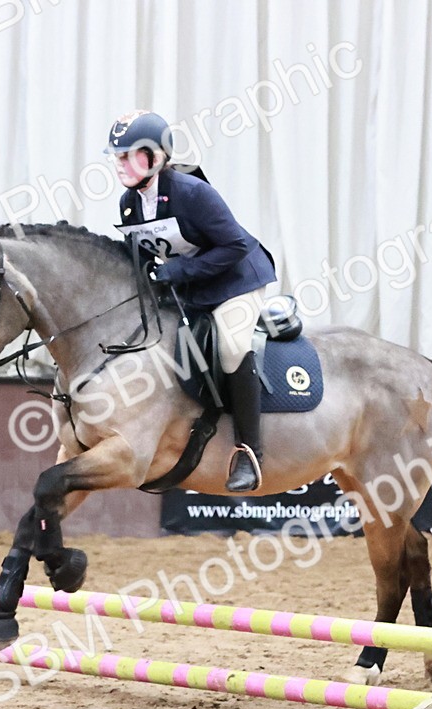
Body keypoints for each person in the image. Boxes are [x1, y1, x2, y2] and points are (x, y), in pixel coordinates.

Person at [106, 110, 277, 493]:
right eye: (118, 156)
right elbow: (146, 253)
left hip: (236, 280)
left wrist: (178, 271)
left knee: (232, 346)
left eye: (131, 154)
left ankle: (250, 452)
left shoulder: (193, 192)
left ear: (157, 157)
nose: (121, 164)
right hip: (193, 287)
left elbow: (234, 246)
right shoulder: (129, 203)